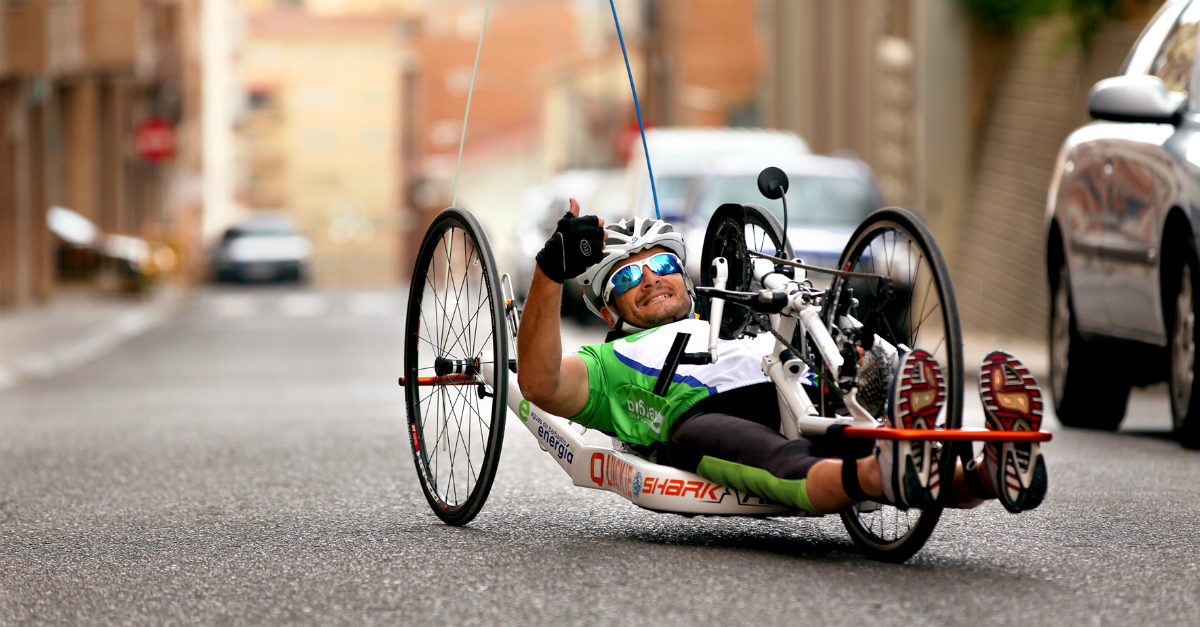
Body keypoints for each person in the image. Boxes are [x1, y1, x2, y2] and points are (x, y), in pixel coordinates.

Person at [517, 199, 1047, 515]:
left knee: (834, 349)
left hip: (789, 382)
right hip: (701, 416)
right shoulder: (607, 362)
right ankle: (890, 461)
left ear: (686, 274)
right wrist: (549, 271)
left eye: (661, 265)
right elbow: (540, 384)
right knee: (784, 464)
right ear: (610, 313)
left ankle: (987, 470)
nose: (651, 278)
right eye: (628, 277)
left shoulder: (737, 317)